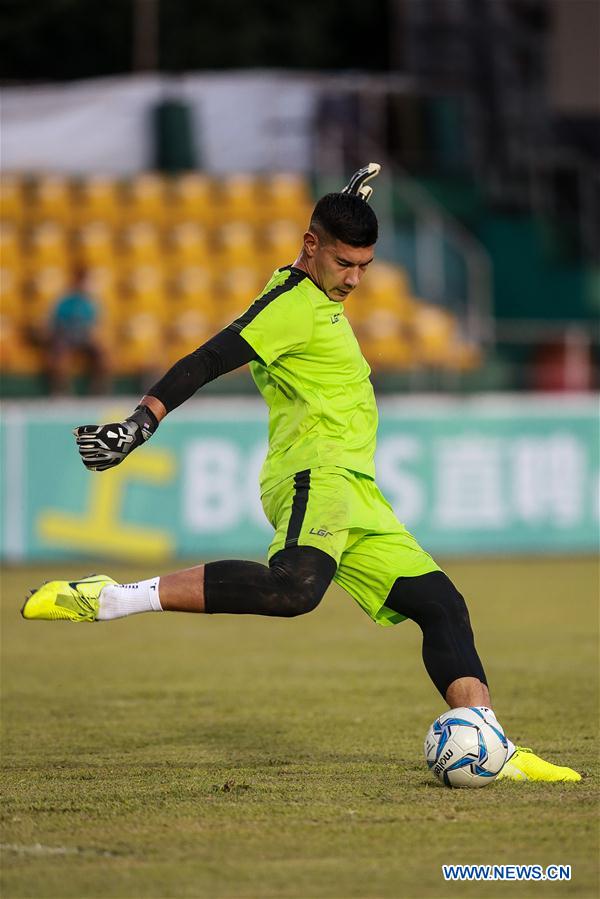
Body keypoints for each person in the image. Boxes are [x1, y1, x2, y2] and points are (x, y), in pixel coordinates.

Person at [22, 165, 580, 783]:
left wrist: (344, 206)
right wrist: (141, 420)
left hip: (356, 491)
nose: (356, 279)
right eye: (346, 263)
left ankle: (494, 747)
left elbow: (309, 261)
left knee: (441, 604)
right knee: (294, 592)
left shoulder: (308, 281)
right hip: (314, 474)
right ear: (313, 246)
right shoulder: (291, 306)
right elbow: (210, 356)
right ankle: (111, 599)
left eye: (365, 266)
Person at [46, 268, 111, 395]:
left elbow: (95, 325)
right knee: (60, 354)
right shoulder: (64, 301)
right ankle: (62, 390)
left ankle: (99, 390)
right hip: (66, 338)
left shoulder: (90, 303)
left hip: (85, 338)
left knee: (103, 353)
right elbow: (54, 324)